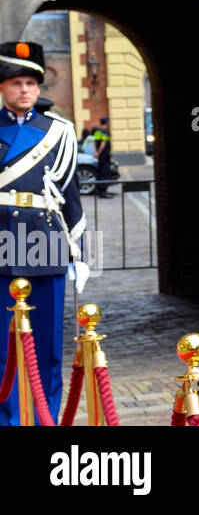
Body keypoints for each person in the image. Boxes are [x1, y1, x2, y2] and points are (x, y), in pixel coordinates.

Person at [0, 40, 86, 425]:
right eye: (16, 83)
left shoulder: (59, 131)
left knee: (48, 343)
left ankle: (45, 417)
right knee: (4, 346)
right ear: (3, 87)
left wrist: (79, 254)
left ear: (38, 88)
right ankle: (8, 418)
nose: (24, 91)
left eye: (30, 84)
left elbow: (70, 196)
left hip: (45, 242)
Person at [92, 116, 112, 199]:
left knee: (100, 173)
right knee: (105, 173)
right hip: (105, 155)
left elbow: (93, 142)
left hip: (100, 157)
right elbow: (103, 144)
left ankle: (100, 191)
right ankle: (103, 192)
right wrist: (99, 152)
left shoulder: (97, 132)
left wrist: (96, 153)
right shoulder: (105, 132)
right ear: (106, 123)